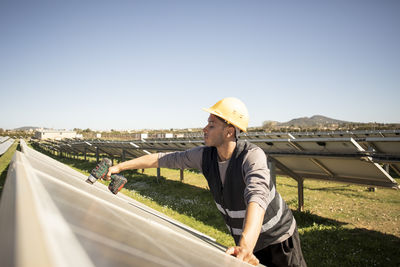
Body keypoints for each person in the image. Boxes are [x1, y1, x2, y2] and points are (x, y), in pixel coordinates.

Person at [106, 97, 307, 267]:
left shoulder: (252, 156)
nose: (204, 129)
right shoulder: (204, 156)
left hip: (278, 240)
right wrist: (119, 167)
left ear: (229, 131)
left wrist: (246, 246)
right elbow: (162, 158)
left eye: (212, 125)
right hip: (245, 243)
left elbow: (257, 197)